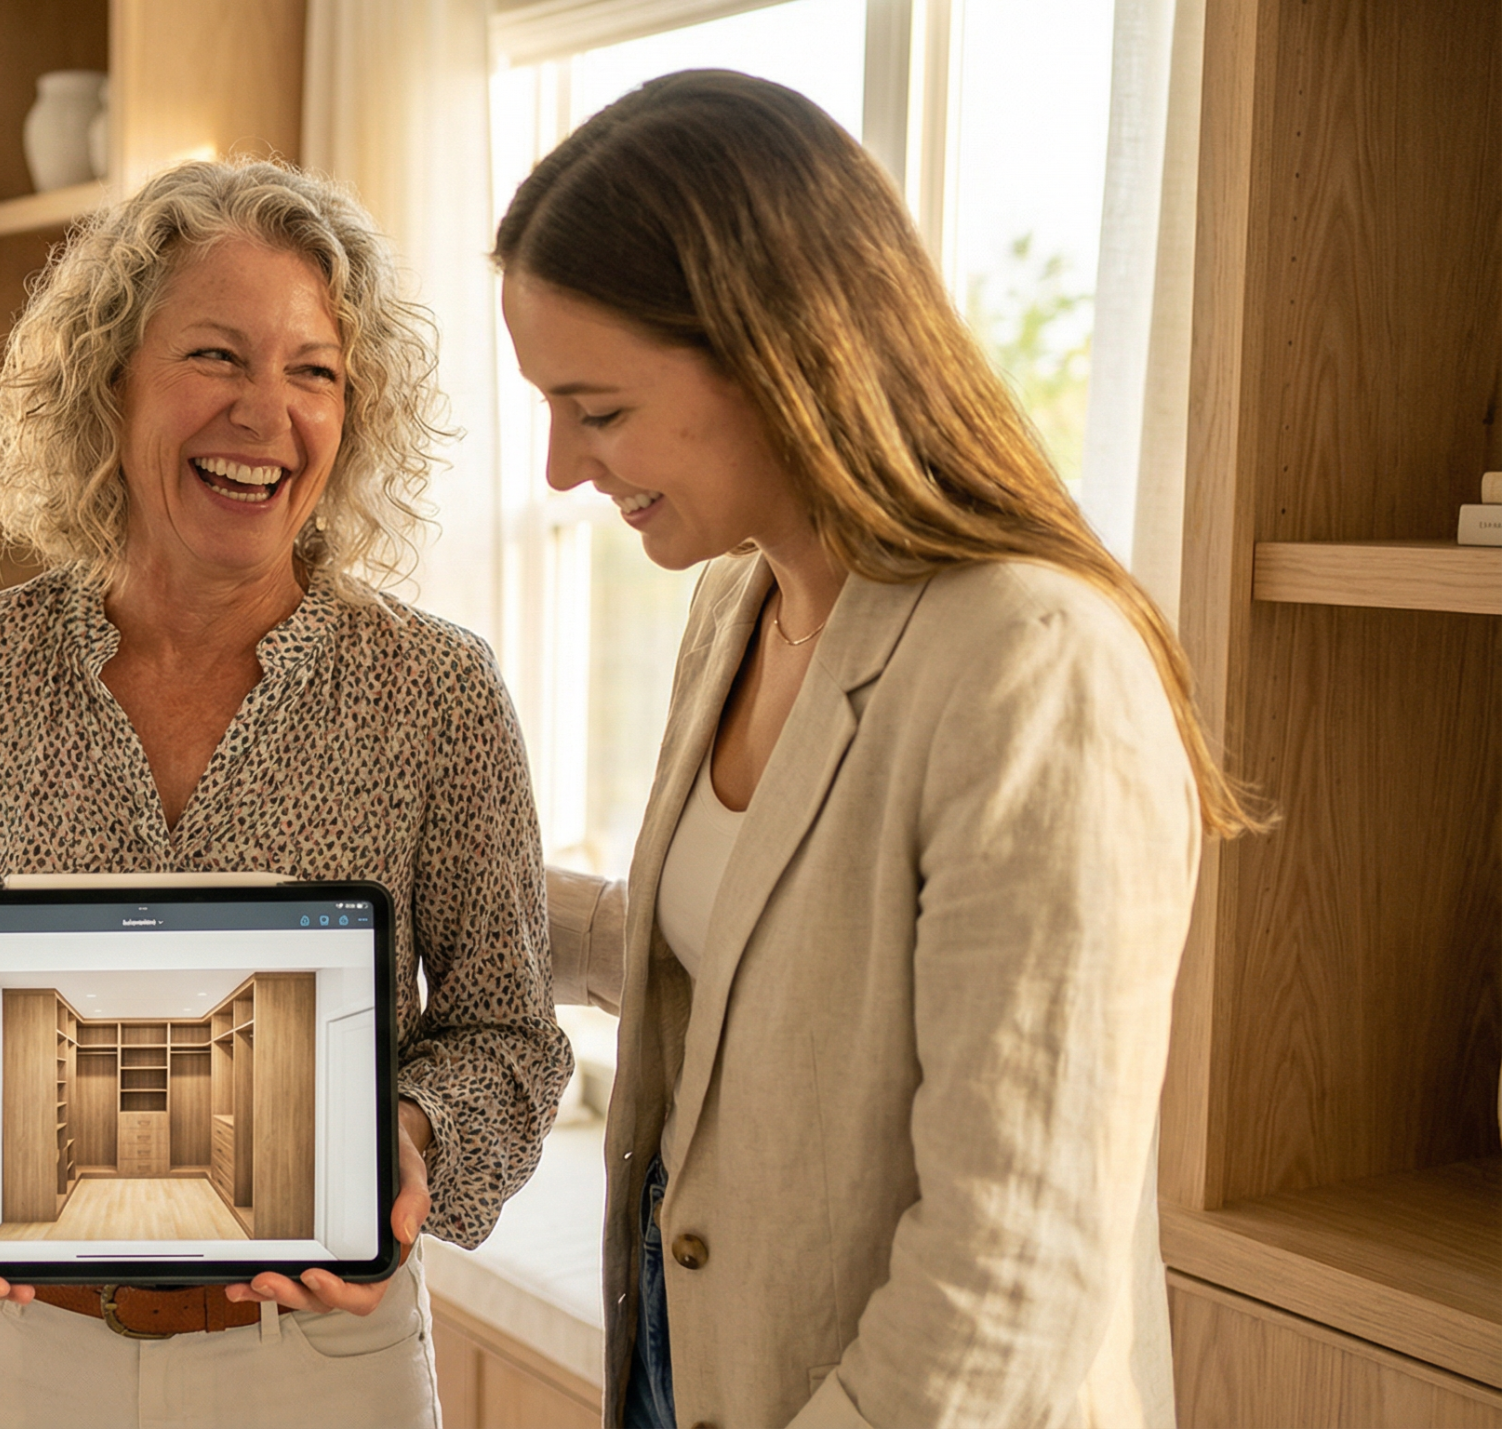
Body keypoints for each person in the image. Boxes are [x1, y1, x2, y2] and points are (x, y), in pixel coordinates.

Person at [500, 72, 1265, 1429]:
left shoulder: (1032, 665)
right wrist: (449, 901)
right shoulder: (736, 608)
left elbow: (1010, 1275)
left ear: (769, 354)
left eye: (597, 409)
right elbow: (762, 981)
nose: (560, 467)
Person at [0, 157, 572, 1428]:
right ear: (108, 384)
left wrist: (409, 1143)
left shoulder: (437, 693)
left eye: (313, 371)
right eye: (216, 357)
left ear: (356, 413)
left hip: (323, 1366)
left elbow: (509, 1037)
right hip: (4, 1354)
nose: (265, 412)